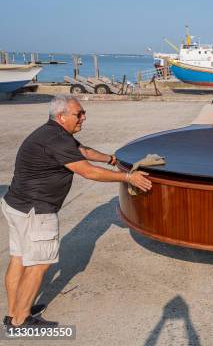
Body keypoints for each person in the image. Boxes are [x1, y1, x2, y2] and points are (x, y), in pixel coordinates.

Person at [2, 95, 152, 328]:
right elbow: (89, 172)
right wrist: (128, 176)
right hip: (36, 210)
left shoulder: (52, 133)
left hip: (16, 204)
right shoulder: (57, 140)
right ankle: (21, 321)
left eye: (83, 113)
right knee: (39, 264)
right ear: (61, 117)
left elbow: (84, 152)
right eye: (79, 114)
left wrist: (112, 159)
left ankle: (13, 313)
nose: (84, 117)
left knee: (20, 258)